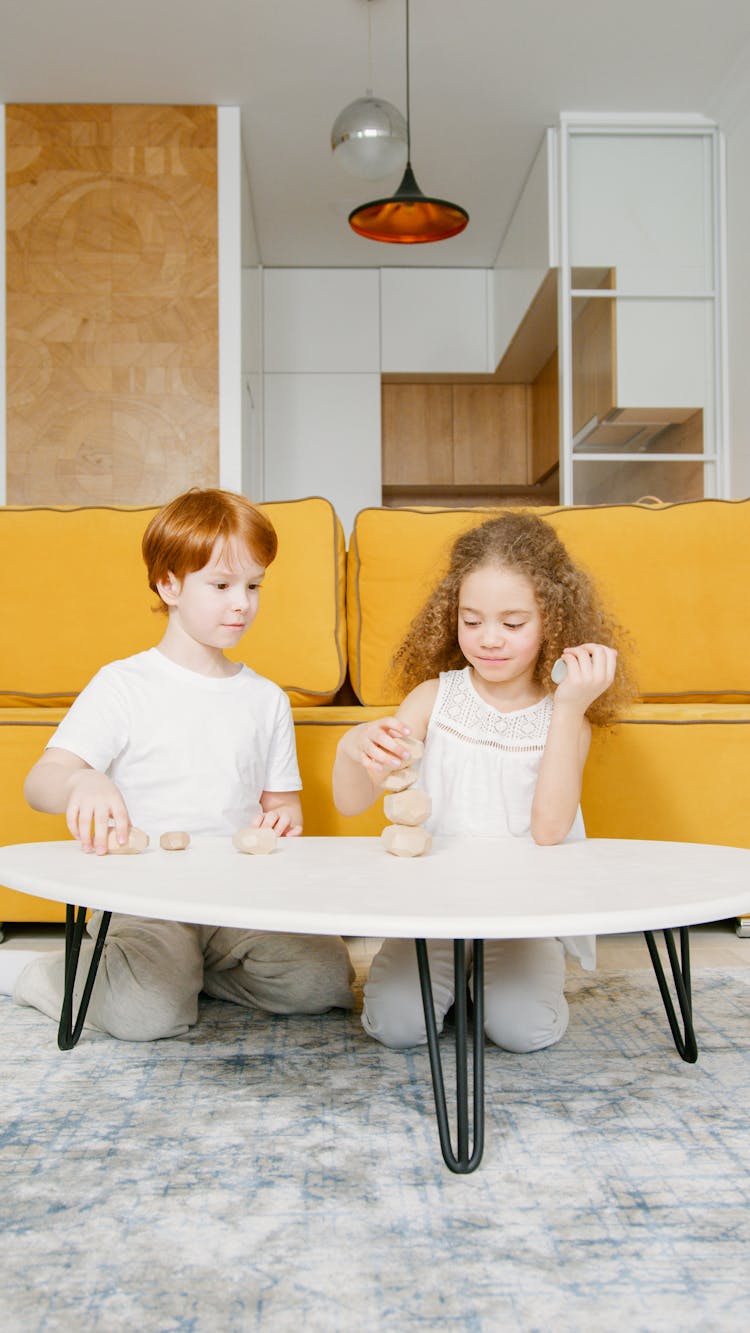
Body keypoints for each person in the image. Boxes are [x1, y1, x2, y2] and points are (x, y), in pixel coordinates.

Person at [3, 488, 354, 1039]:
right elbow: (39, 782)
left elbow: (282, 806)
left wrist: (282, 822)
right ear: (169, 584)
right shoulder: (124, 684)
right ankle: (42, 975)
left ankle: (187, 973)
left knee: (323, 981)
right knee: (151, 1016)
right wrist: (82, 779)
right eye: (221, 585)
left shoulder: (266, 700)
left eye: (254, 585)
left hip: (232, 898)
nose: (242, 603)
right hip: (146, 901)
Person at [332, 511, 635, 1053]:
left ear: (553, 623)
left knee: (525, 1032)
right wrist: (351, 748)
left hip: (521, 912)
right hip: (434, 907)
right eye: (471, 622)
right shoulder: (433, 698)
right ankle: (457, 974)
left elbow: (548, 832)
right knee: (396, 1027)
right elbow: (352, 801)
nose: (489, 640)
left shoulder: (566, 718)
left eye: (513, 624)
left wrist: (568, 709)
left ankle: (485, 981)